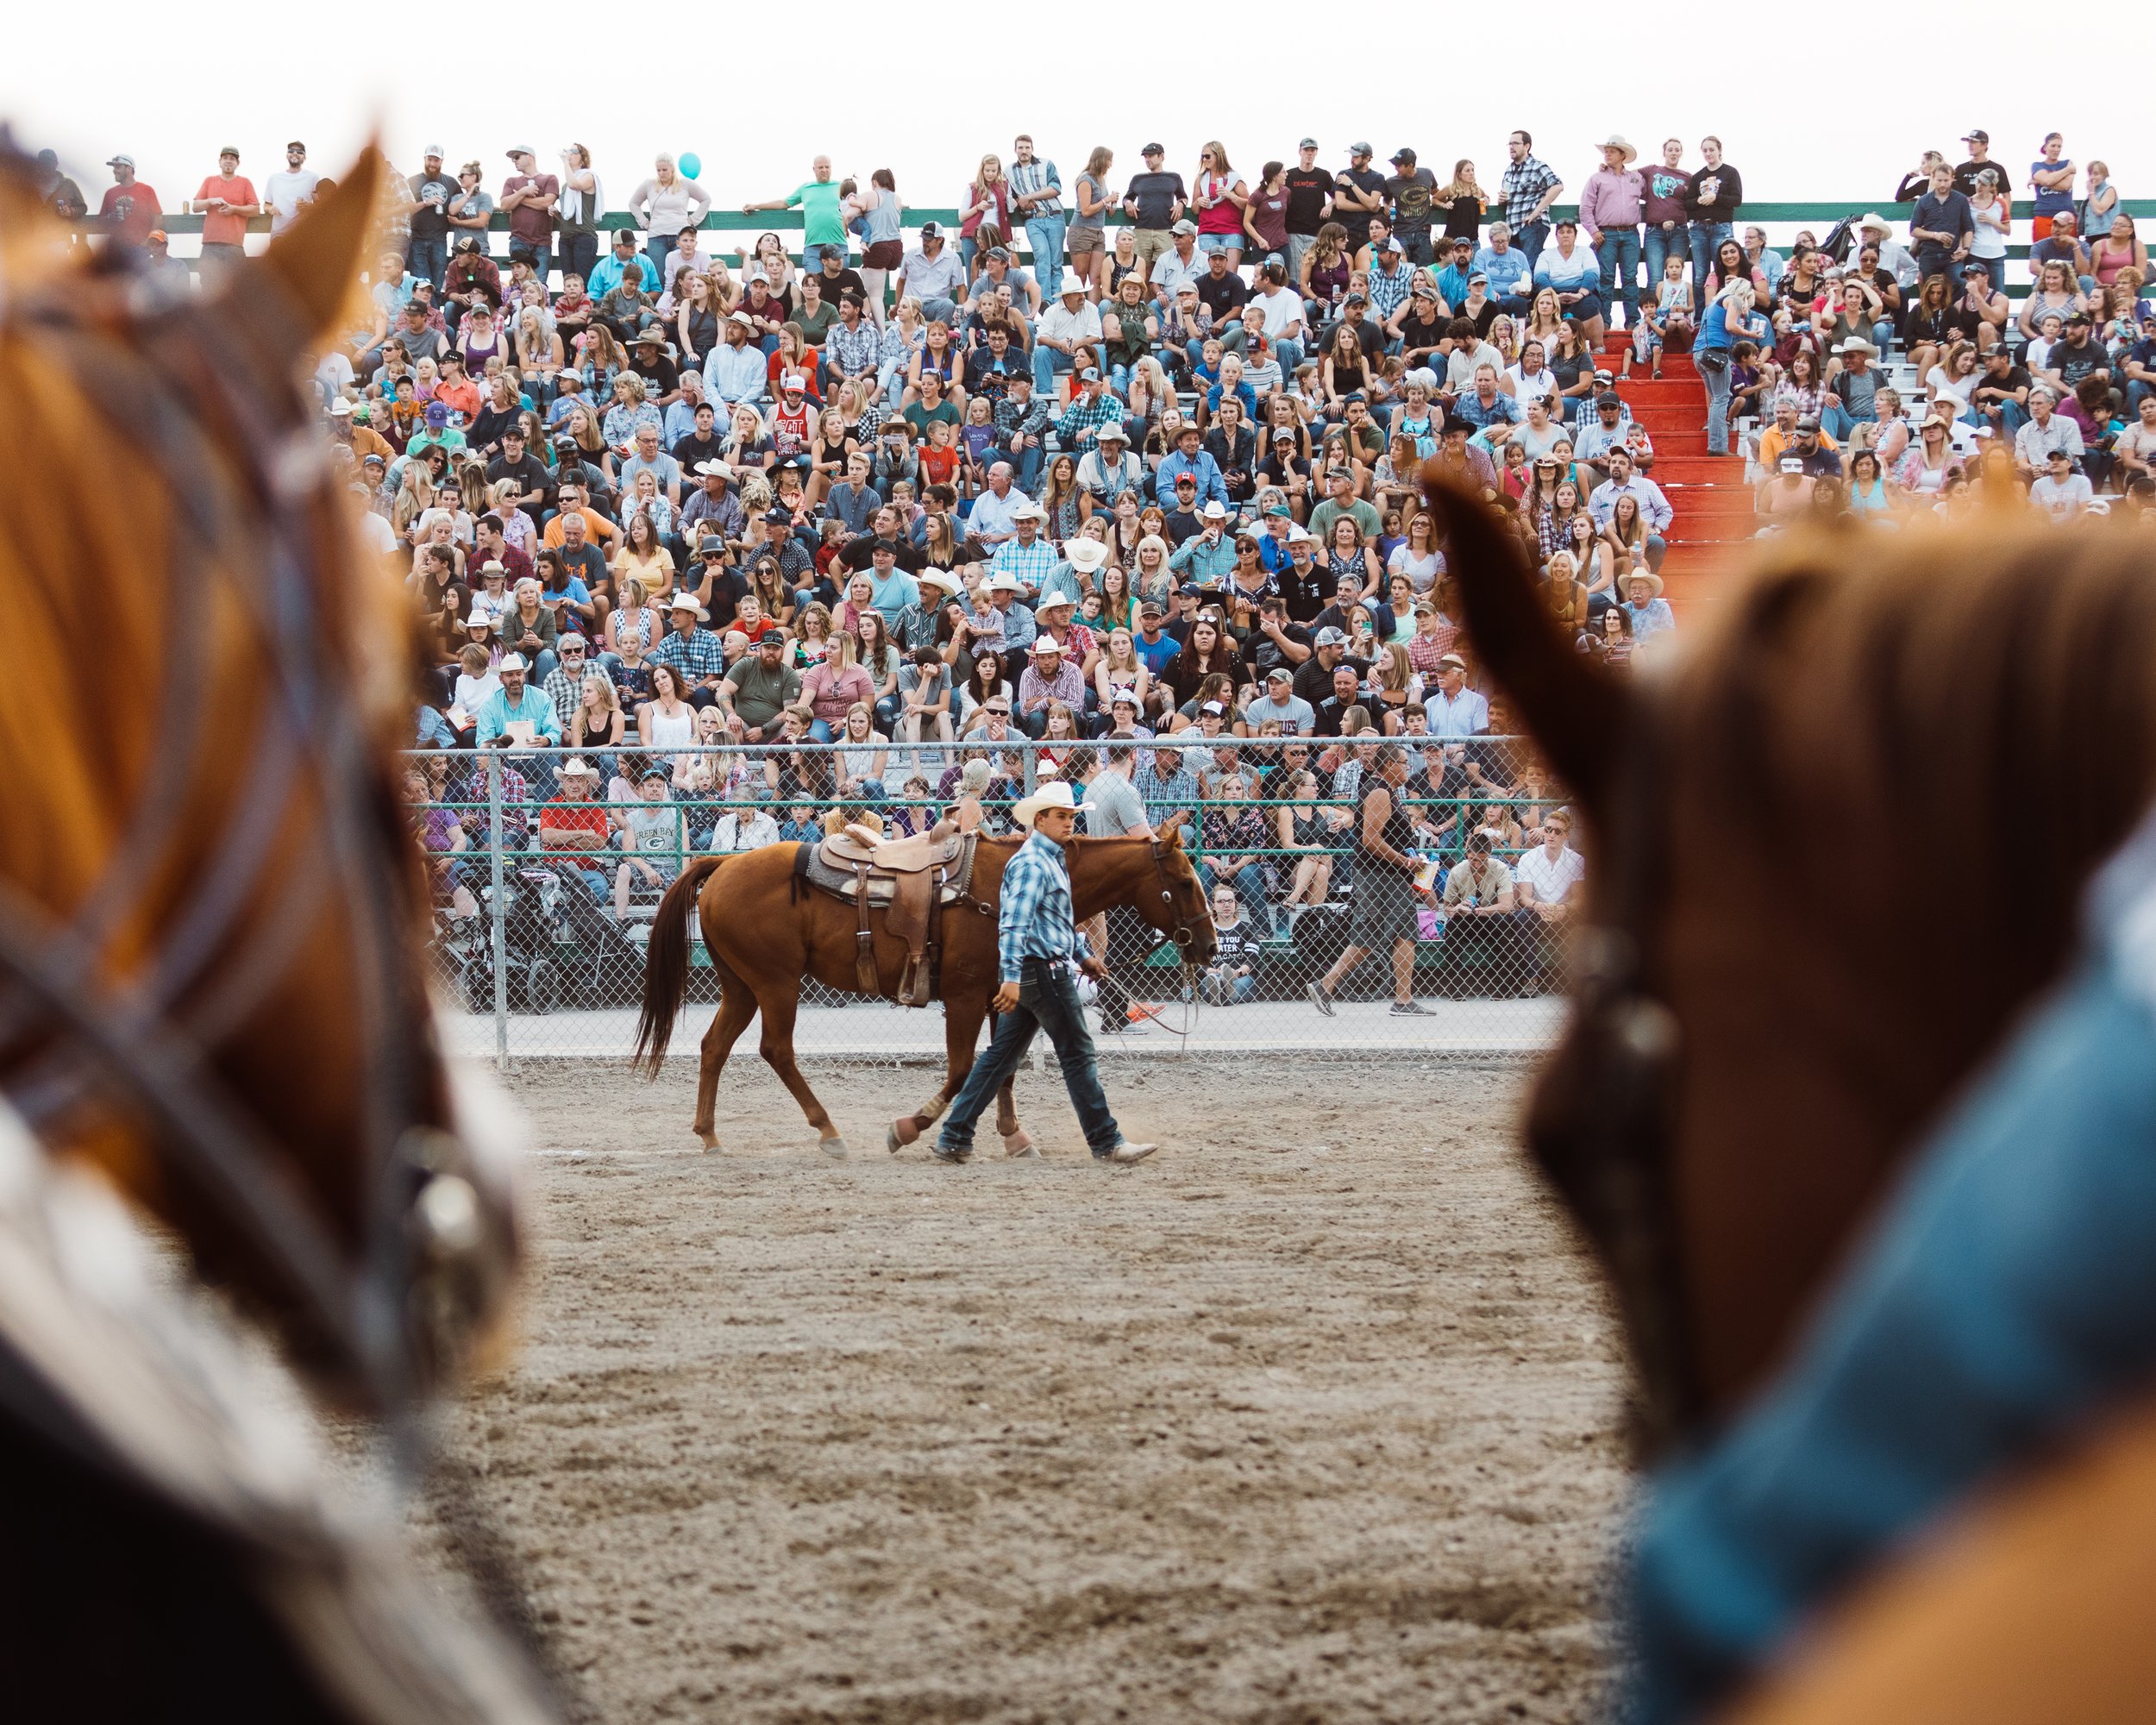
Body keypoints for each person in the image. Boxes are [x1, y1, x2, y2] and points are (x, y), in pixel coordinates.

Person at [933, 780, 1160, 1166]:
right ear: (1040, 819)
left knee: (1000, 1058)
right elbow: (1014, 924)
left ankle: (955, 1135)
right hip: (1044, 972)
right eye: (1061, 816)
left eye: (1072, 816)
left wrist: (1082, 954)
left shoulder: (1046, 858)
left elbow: (1054, 919)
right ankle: (1107, 1141)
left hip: (1040, 970)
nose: (1069, 822)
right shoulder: (1033, 863)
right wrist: (1008, 977)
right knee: (1077, 1054)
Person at [1306, 743, 1429, 1017]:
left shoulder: (1388, 791)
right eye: (1404, 763)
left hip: (1389, 874)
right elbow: (1370, 841)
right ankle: (1326, 985)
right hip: (1378, 874)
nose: (1407, 768)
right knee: (1371, 934)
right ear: (1390, 765)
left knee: (1401, 932)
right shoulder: (1379, 792)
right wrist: (1406, 861)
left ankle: (1403, 999)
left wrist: (1408, 861)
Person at [189, 145, 260, 271]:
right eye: (225, 158)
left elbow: (255, 210)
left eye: (232, 158)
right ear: (219, 162)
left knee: (237, 287)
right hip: (210, 245)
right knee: (208, 285)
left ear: (237, 163)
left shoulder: (245, 183)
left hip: (234, 246)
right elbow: (195, 207)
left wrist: (234, 209)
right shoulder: (209, 181)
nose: (228, 161)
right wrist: (211, 200)